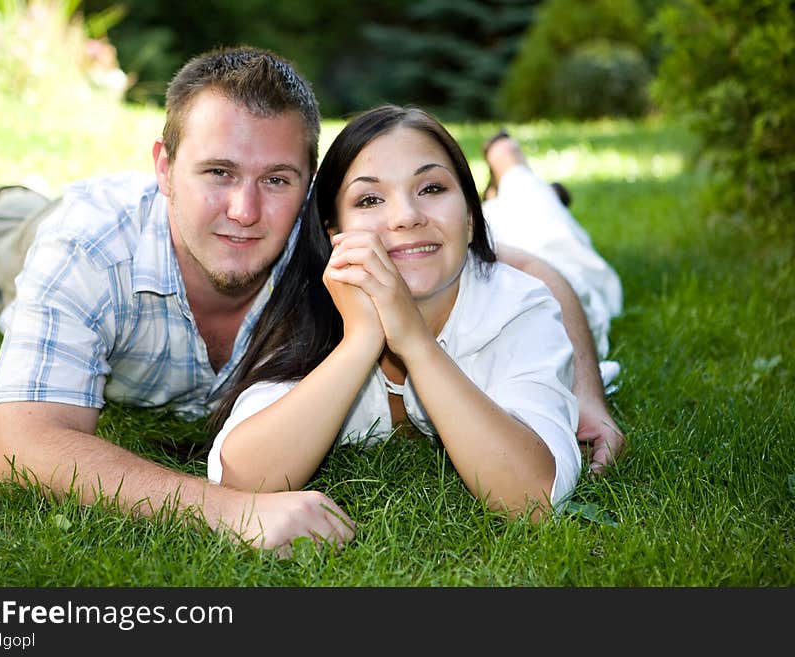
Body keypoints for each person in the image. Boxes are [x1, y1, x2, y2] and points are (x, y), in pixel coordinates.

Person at [0, 46, 357, 556]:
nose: (245, 211)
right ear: (164, 166)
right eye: (218, 172)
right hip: (17, 237)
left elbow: (448, 249)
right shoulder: (90, 247)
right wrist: (230, 512)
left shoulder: (324, 247)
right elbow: (21, 445)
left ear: (308, 186)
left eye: (275, 180)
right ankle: (6, 200)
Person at [205, 105, 582, 520]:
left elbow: (533, 500)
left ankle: (509, 162)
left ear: (471, 218)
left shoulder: (518, 308)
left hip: (564, 270)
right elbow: (239, 480)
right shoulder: (309, 310)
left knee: (545, 227)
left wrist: (416, 343)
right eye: (370, 199)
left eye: (432, 189)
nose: (405, 217)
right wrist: (361, 342)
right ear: (334, 234)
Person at [480, 130, 625, 474]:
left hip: (551, 275)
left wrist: (585, 390)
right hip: (498, 253)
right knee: (534, 216)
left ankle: (506, 158)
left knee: (543, 231)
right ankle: (516, 196)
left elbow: (536, 269)